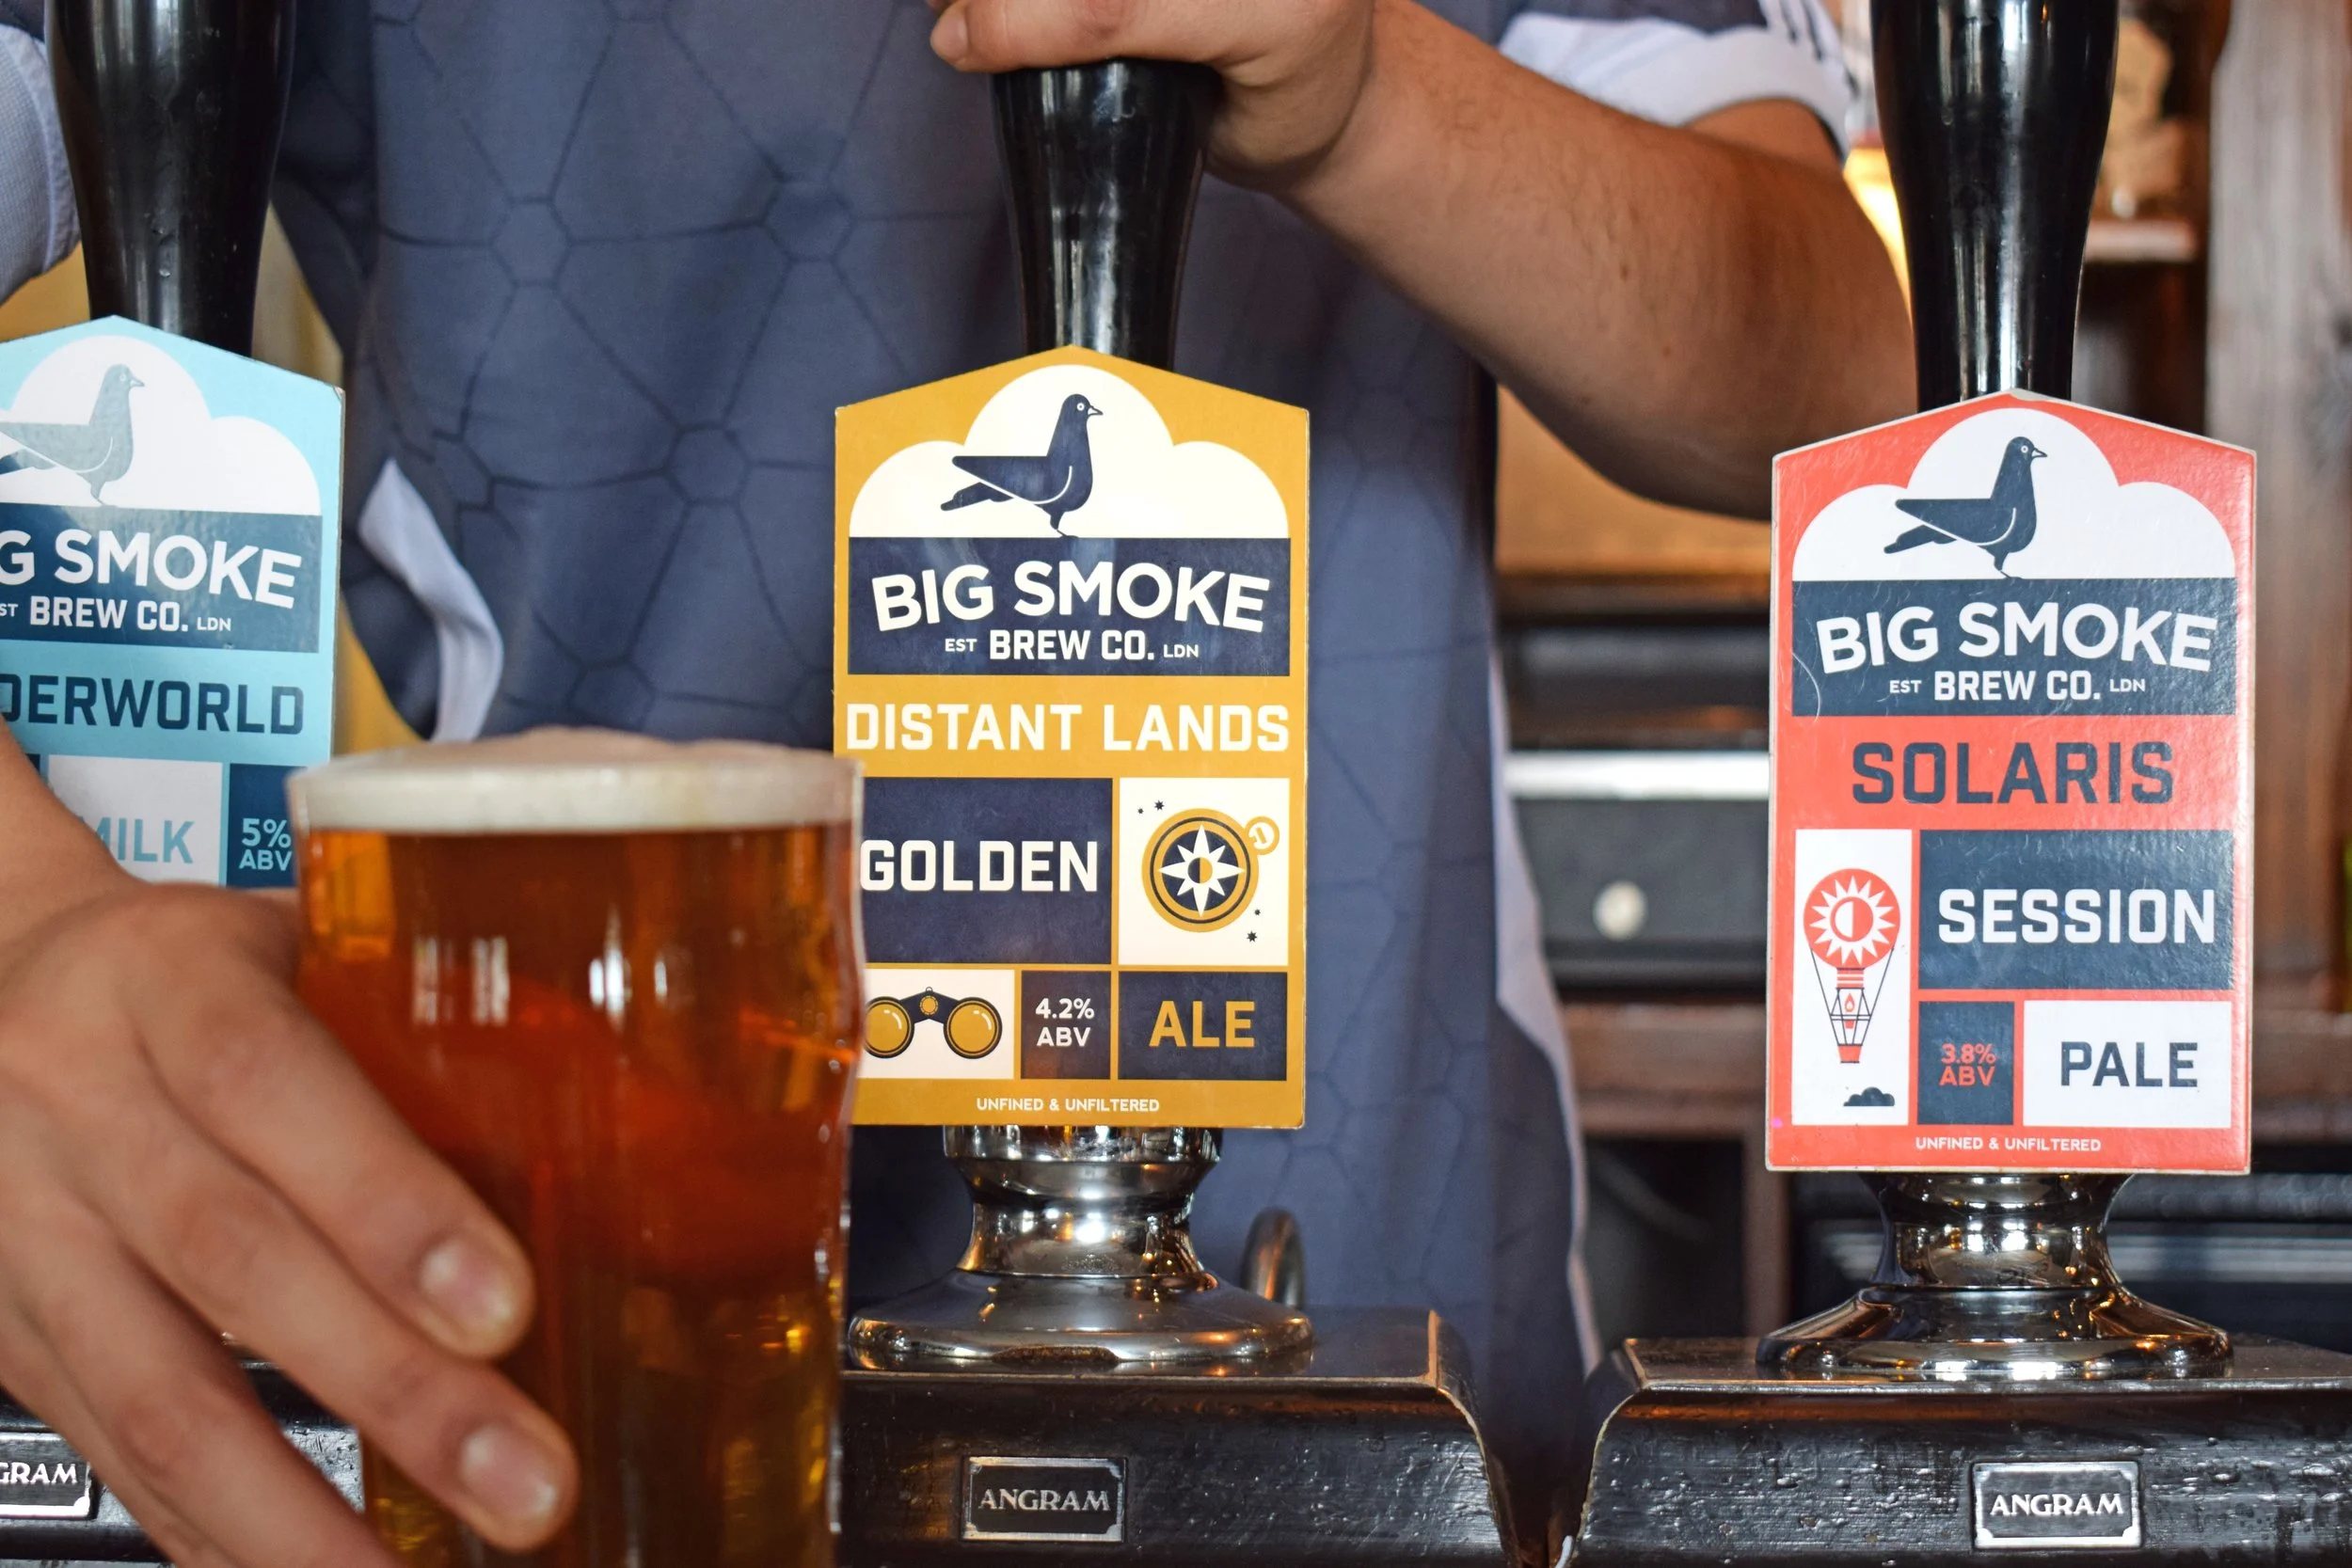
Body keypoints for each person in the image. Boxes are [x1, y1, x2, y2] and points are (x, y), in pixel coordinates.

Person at [0, 0, 1910, 1561]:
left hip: (1366, 1304)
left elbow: (1831, 369)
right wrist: (23, 912)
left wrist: (1366, 95)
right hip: (601, 1282)